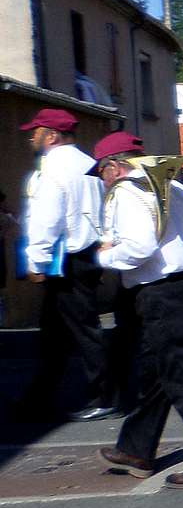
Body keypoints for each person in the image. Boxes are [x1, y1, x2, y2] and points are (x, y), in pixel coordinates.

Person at [92, 132, 183, 488]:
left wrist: (104, 256)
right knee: (156, 373)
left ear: (113, 167)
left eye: (100, 173)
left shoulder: (126, 192)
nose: (102, 181)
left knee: (181, 376)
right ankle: (136, 449)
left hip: (162, 292)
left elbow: (139, 248)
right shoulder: (178, 188)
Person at [17, 108, 112, 421]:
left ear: (52, 136)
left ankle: (104, 396)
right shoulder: (89, 165)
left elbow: (47, 219)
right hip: (86, 255)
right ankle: (39, 397)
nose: (31, 137)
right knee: (56, 332)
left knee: (82, 331)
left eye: (36, 132)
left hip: (66, 261)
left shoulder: (53, 169)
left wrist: (36, 261)